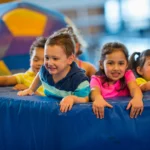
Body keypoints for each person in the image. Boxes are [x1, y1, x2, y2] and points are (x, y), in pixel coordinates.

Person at [17, 31, 90, 113]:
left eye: (55, 59)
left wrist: (72, 98)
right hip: (51, 109)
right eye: (47, 57)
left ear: (69, 59)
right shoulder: (45, 70)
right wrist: (31, 89)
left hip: (71, 114)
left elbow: (85, 99)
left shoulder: (79, 80)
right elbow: (40, 76)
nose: (49, 63)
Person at [90, 42, 144, 119]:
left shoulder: (127, 74)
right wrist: (98, 99)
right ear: (101, 64)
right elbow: (94, 91)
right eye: (110, 63)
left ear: (126, 64)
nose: (116, 68)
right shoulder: (96, 79)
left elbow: (134, 88)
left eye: (121, 63)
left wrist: (137, 98)